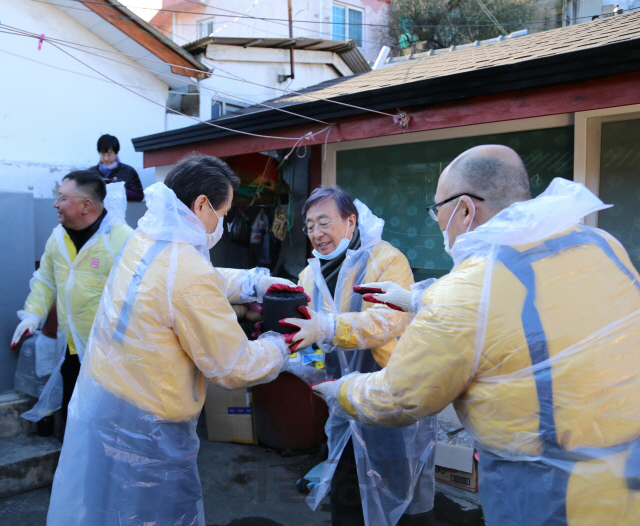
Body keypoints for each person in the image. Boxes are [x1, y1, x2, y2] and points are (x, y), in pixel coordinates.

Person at [313, 145, 640, 525]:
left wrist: (341, 392)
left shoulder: (466, 290)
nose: (437, 222)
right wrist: (414, 298)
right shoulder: (600, 244)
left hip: (553, 492)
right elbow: (520, 303)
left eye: (437, 209)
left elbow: (400, 398)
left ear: (465, 209)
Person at [47, 154, 294, 526]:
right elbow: (233, 366)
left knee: (101, 512)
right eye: (222, 213)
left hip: (106, 404)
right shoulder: (184, 265)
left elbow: (183, 282)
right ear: (200, 205)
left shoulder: (146, 240)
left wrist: (251, 282)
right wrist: (284, 342)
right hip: (149, 432)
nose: (221, 223)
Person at [281, 186, 437, 526]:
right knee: (347, 484)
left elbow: (389, 319)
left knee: (396, 486)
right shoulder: (310, 274)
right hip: (340, 396)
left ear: (351, 222)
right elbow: (311, 340)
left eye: (324, 222)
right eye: (309, 226)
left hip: (388, 390)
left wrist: (327, 327)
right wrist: (300, 364)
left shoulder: (385, 259)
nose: (316, 234)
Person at [12, 172, 132, 431]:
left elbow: (140, 296)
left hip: (110, 352)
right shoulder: (58, 237)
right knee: (73, 416)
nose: (55, 204)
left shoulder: (122, 239)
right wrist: (33, 314)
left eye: (61, 198)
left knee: (107, 423)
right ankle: (73, 469)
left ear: (86, 205)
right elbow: (45, 280)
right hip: (71, 349)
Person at [89, 133, 144, 201]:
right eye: (103, 154)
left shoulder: (128, 171)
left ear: (116, 152)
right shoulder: (90, 173)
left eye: (109, 154)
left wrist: (120, 190)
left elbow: (139, 196)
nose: (106, 158)